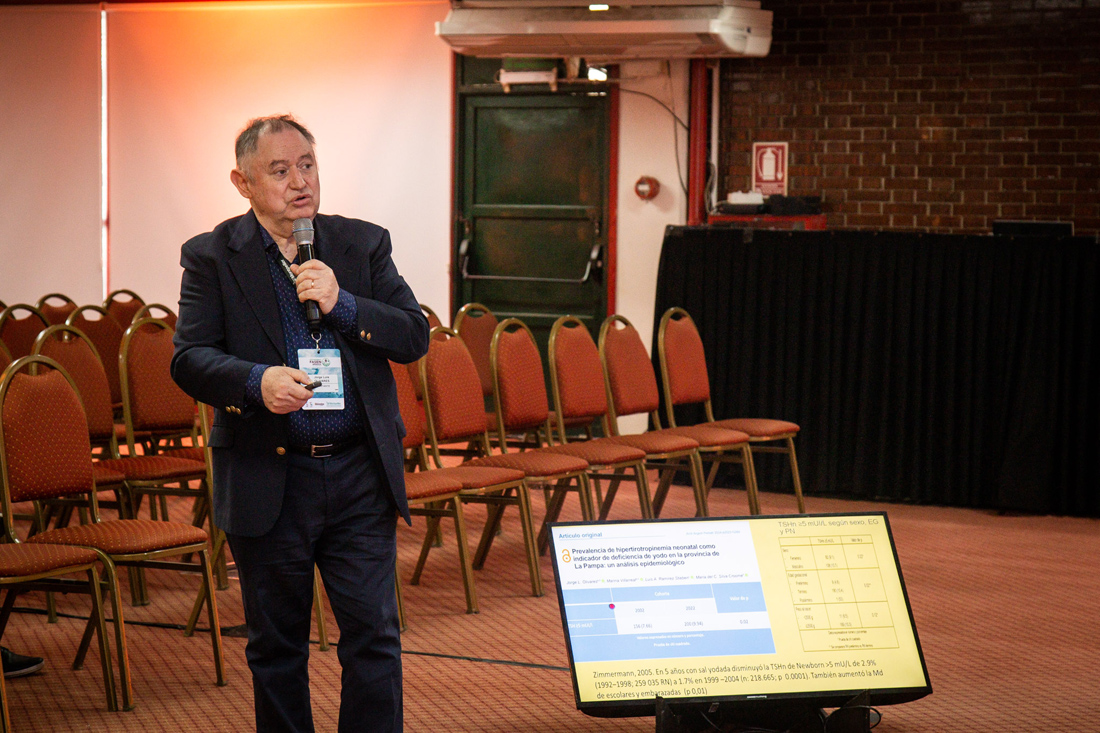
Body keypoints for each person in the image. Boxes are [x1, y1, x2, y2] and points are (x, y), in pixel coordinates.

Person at [171, 114, 428, 733]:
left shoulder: (362, 244)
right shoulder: (212, 256)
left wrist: (344, 304)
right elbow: (190, 358)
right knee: (276, 647)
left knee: (374, 637)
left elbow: (412, 335)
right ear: (243, 183)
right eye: (280, 170)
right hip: (269, 474)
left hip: (357, 473)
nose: (300, 182)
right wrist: (255, 383)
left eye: (307, 165)